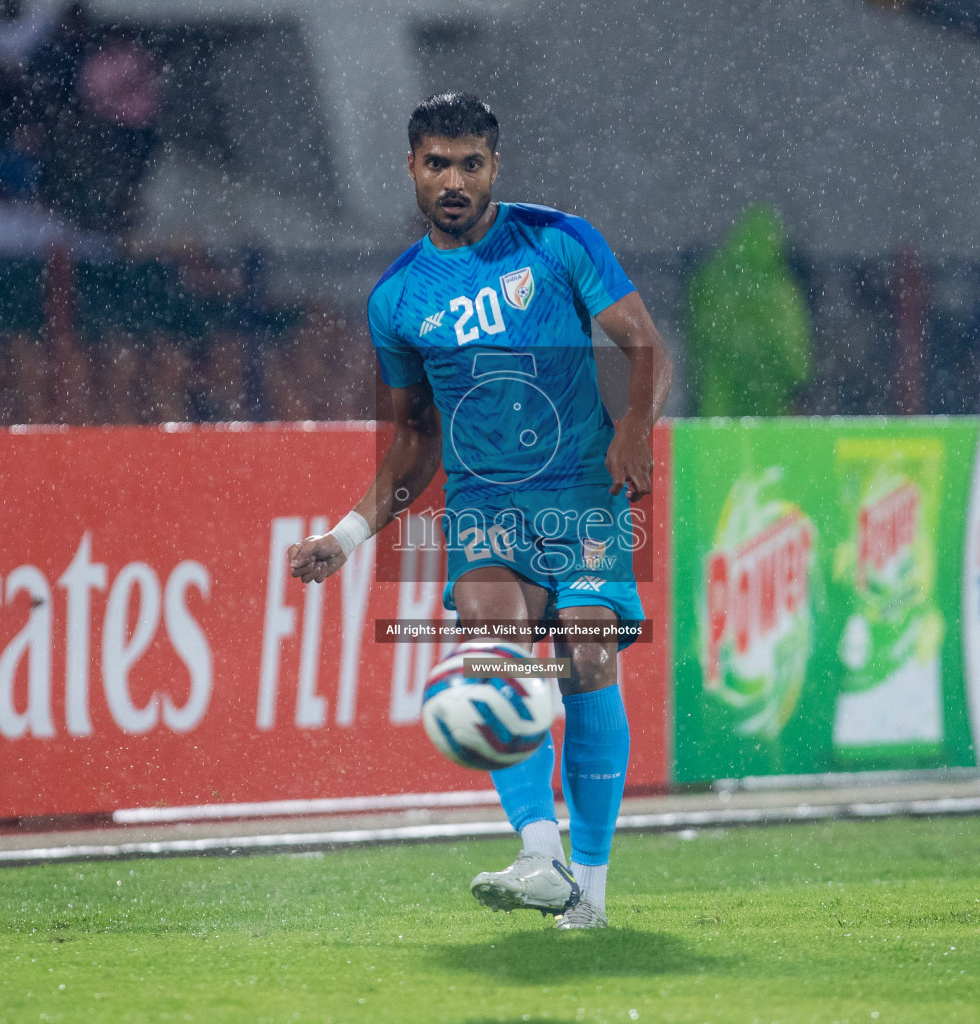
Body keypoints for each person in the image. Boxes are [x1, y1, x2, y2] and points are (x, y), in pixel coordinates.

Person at [288, 93, 672, 930]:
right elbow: (416, 438)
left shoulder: (559, 240)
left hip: (580, 492)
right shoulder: (396, 300)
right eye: (437, 164)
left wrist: (635, 431)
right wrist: (349, 533)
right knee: (492, 649)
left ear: (494, 166)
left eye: (470, 164)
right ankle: (541, 853)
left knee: (585, 660)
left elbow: (643, 344)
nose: (453, 180)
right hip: (485, 507)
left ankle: (592, 899)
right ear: (413, 168)